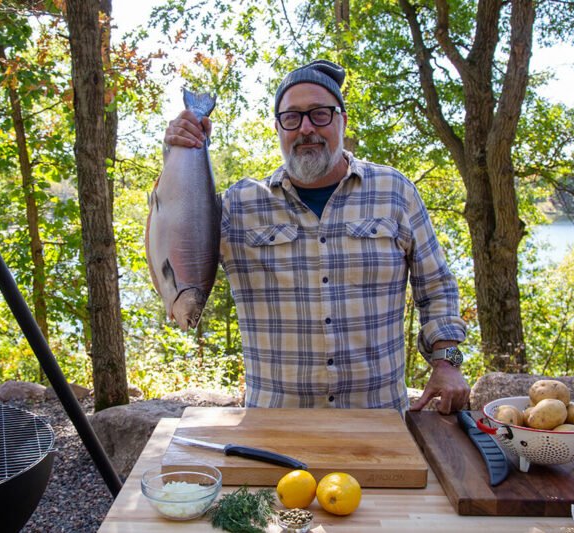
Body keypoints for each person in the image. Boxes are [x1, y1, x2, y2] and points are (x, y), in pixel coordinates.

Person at [162, 59, 469, 415]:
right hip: (274, 428)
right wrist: (176, 151)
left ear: (342, 120)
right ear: (278, 127)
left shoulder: (394, 191)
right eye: (292, 117)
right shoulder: (236, 206)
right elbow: (174, 240)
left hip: (380, 423)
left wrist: (449, 363)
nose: (306, 128)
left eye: (319, 114)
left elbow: (438, 287)